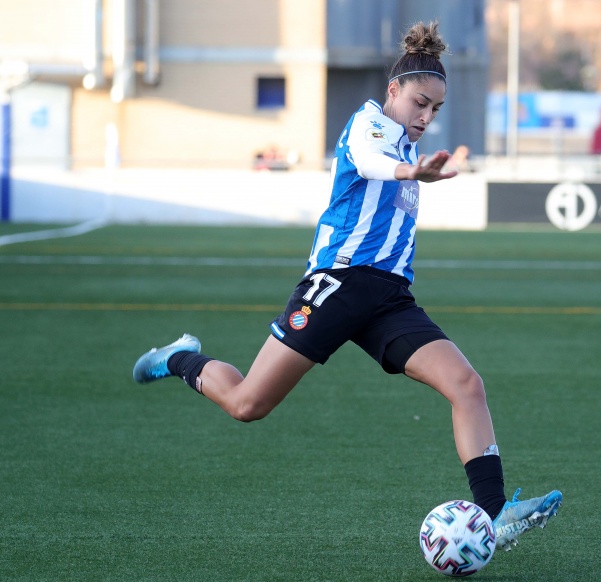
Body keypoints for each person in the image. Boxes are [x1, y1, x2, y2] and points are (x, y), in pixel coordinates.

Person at [133, 21, 562, 552]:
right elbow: (371, 162)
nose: (426, 117)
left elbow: (397, 165)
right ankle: (179, 358)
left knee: (466, 384)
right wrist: (410, 172)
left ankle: (495, 514)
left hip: (389, 298)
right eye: (419, 103)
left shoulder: (406, 144)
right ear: (393, 91)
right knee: (248, 404)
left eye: (435, 110)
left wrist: (414, 168)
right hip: (337, 283)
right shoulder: (370, 126)